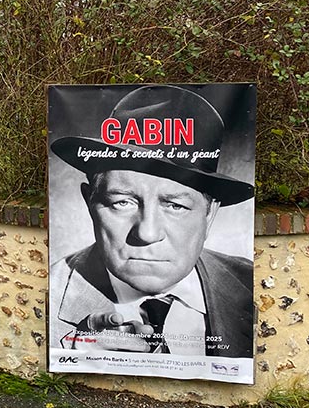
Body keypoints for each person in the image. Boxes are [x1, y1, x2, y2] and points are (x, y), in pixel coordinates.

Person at [49, 85, 255, 359]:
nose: (147, 233)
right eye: (122, 202)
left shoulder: (250, 284)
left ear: (210, 212)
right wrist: (71, 358)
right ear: (90, 203)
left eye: (175, 205)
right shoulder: (43, 297)